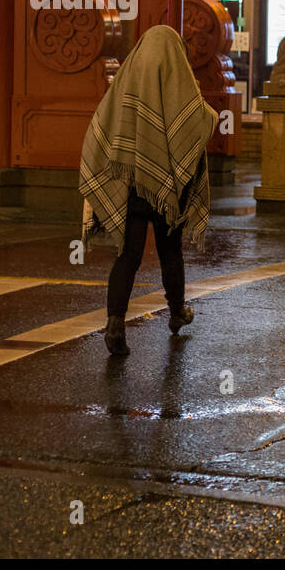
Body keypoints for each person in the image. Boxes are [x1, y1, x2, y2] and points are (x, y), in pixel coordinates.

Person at [79, 26, 219, 357]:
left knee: (128, 254)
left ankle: (115, 323)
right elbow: (202, 123)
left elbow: (101, 128)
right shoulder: (182, 83)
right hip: (169, 184)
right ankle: (176, 313)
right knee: (171, 251)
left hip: (131, 186)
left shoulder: (126, 81)